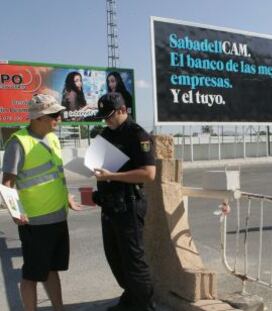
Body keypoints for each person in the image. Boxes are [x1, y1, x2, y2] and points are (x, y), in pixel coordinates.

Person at [2, 94, 81, 311]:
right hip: (35, 223)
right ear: (39, 117)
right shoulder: (18, 143)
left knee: (51, 270)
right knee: (32, 276)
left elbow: (56, 175)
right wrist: (16, 213)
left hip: (57, 217)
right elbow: (7, 183)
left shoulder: (53, 138)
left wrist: (67, 197)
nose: (60, 118)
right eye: (55, 115)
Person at [92, 92, 156, 311]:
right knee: (116, 259)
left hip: (129, 206)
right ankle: (130, 300)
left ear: (122, 110)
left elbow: (148, 174)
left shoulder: (138, 135)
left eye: (109, 116)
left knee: (134, 262)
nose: (106, 120)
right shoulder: (105, 134)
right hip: (109, 206)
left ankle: (145, 306)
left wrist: (111, 176)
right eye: (103, 117)